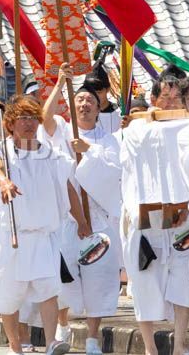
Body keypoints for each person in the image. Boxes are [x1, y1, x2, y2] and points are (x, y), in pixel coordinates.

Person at [0, 94, 86, 355]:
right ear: (10, 123)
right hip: (13, 235)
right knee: (9, 298)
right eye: (22, 118)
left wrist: (82, 221)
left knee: (49, 291)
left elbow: (67, 189)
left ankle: (51, 341)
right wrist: (4, 182)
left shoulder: (50, 153)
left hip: (43, 236)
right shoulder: (2, 150)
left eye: (33, 118)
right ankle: (15, 345)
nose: (29, 123)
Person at [42, 76, 123, 354]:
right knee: (65, 278)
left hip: (99, 219)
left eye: (90, 100)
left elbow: (115, 172)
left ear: (99, 108)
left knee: (99, 279)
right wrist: (60, 82)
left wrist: (89, 151)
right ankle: (62, 325)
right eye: (79, 99)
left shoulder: (108, 139)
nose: (85, 103)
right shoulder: (63, 129)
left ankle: (92, 338)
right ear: (72, 105)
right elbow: (45, 118)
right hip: (67, 218)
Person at [120, 95, 189, 355]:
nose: (170, 104)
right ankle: (150, 347)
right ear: (155, 99)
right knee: (143, 280)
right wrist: (139, 123)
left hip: (182, 214)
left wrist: (187, 204)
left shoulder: (185, 129)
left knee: (184, 279)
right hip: (145, 214)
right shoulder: (137, 129)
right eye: (165, 97)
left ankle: (179, 345)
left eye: (177, 99)